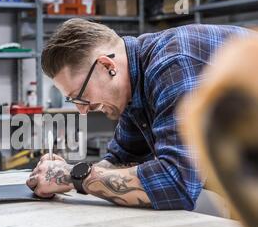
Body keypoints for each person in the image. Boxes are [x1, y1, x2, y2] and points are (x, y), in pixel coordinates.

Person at [26, 19, 249, 210]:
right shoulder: (134, 87)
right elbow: (122, 160)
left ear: (106, 66)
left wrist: (70, 175)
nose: (82, 110)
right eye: (73, 101)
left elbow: (177, 184)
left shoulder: (172, 65)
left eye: (81, 96)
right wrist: (61, 175)